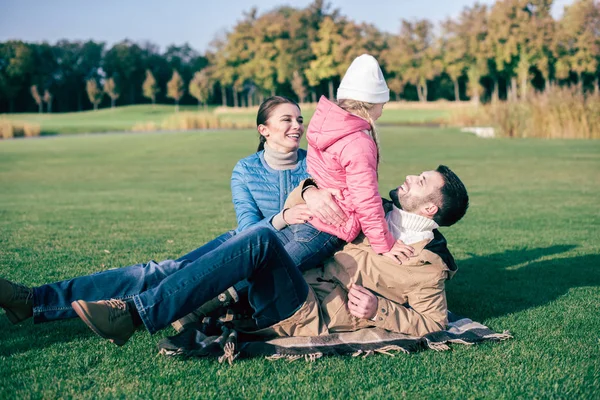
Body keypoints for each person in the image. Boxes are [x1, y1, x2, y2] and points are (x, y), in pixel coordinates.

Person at [0, 96, 345, 326]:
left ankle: (114, 312)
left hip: (285, 257)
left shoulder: (314, 165)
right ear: (263, 129)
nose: (297, 126)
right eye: (287, 120)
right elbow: (247, 227)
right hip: (244, 243)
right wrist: (283, 218)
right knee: (162, 270)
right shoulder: (245, 169)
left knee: (177, 279)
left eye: (300, 120)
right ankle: (33, 299)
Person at [56, 165, 467, 346]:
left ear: (430, 209)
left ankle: (133, 315)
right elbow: (305, 202)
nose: (410, 177)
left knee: (258, 241)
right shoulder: (372, 211)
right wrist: (309, 192)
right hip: (291, 281)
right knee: (246, 242)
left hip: (310, 310)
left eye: (422, 181)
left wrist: (379, 309)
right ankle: (132, 310)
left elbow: (434, 324)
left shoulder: (428, 267)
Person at [305, 54, 409, 265]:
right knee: (273, 269)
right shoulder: (358, 143)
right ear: (370, 104)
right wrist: (383, 243)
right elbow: (366, 198)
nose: (382, 111)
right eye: (382, 104)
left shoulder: (325, 127)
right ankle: (224, 293)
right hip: (332, 227)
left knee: (266, 262)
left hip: (309, 215)